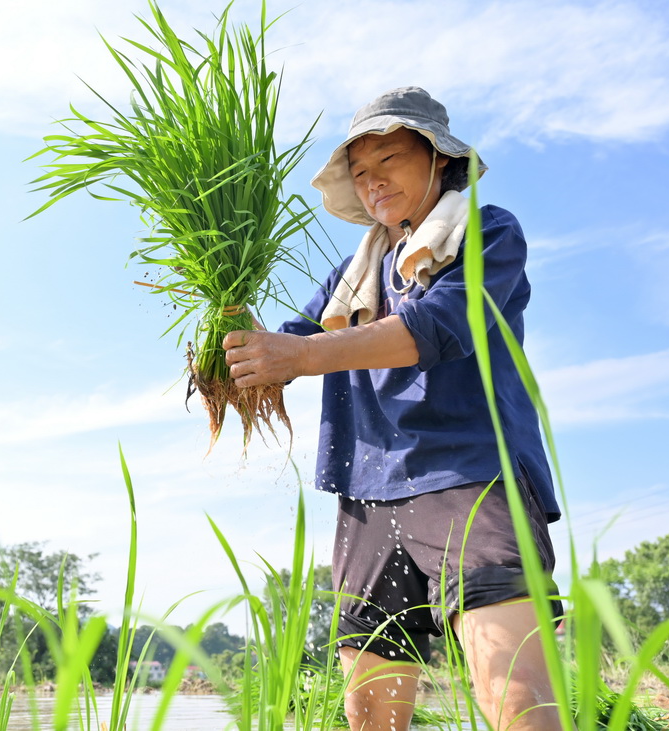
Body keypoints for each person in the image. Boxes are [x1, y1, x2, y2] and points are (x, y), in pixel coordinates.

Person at [222, 87, 564, 730]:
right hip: (368, 491)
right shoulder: (351, 275)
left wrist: (297, 357)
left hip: (470, 475)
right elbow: (297, 341)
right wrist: (238, 338)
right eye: (360, 173)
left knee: (514, 695)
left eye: (390, 160)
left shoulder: (488, 231)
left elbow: (431, 329)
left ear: (439, 160)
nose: (373, 182)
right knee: (370, 715)